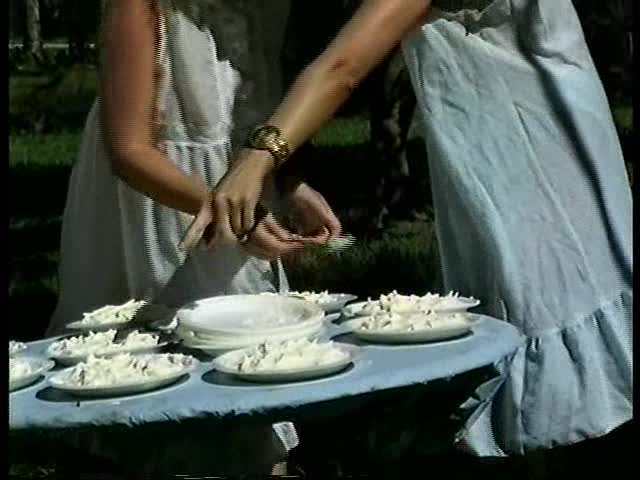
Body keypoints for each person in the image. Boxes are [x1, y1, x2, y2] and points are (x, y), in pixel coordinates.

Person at [183, 0, 633, 474]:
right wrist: (290, 174)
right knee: (559, 325)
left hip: (527, 158)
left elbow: (344, 65)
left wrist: (259, 158)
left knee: (553, 324)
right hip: (528, 140)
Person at [47, 0, 342, 475]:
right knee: (153, 363)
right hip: (159, 206)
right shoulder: (144, 7)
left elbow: (262, 106)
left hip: (238, 195)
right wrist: (225, 209)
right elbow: (129, 149)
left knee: (250, 359)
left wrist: (292, 182)